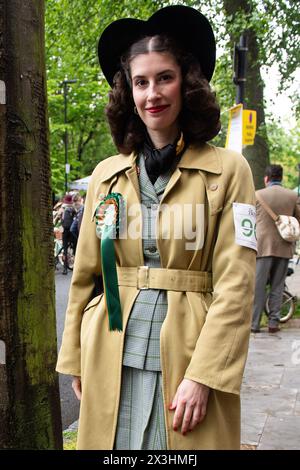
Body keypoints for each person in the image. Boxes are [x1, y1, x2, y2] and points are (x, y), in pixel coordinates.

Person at [56, 5, 257, 450]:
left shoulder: (229, 170)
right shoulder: (106, 174)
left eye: (164, 78)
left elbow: (236, 284)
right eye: (140, 82)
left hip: (188, 355)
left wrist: (204, 376)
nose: (152, 94)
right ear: (128, 91)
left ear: (186, 83)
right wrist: (75, 356)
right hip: (109, 349)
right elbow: (87, 275)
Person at [251, 164, 300, 333]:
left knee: (258, 287)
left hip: (262, 247)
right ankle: (273, 323)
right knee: (278, 286)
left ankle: (254, 324)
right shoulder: (292, 196)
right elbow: (298, 220)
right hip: (284, 247)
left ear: (266, 178)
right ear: (281, 178)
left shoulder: (257, 195)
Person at [61, 193, 76, 274]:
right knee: (75, 247)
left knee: (65, 249)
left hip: (65, 231)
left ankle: (65, 269)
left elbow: (59, 219)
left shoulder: (62, 208)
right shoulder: (73, 208)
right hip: (71, 231)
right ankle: (76, 265)